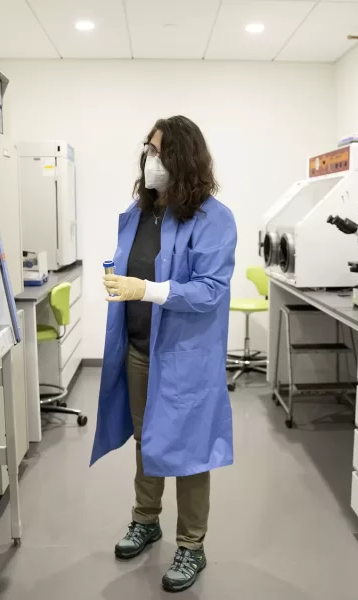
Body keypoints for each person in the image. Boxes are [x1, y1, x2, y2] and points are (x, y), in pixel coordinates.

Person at [90, 115, 237, 593]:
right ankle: (145, 519)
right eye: (148, 150)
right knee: (145, 439)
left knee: (191, 451)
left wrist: (146, 289)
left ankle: (192, 546)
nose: (152, 160)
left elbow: (210, 291)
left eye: (161, 152)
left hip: (185, 358)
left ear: (183, 159)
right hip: (138, 349)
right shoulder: (137, 214)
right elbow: (132, 267)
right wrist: (119, 279)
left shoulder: (214, 218)